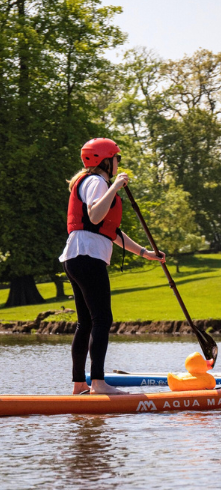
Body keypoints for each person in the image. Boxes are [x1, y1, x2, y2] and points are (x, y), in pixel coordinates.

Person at [60, 138, 165, 395]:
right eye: (117, 158)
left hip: (76, 256)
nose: (118, 162)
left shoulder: (94, 183)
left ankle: (78, 385)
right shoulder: (97, 182)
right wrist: (115, 186)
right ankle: (97, 383)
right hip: (87, 256)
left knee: (85, 322)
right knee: (102, 319)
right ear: (106, 160)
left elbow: (110, 231)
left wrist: (144, 253)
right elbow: (95, 215)